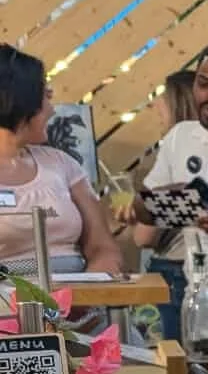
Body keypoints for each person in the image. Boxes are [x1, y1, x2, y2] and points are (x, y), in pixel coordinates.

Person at [125, 64, 208, 336]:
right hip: (196, 273)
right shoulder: (183, 137)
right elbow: (196, 198)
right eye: (203, 85)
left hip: (193, 273)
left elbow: (145, 232)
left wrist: (145, 207)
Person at [0, 44, 122, 275]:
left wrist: (88, 292)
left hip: (75, 301)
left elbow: (103, 248)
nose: (52, 111)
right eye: (45, 98)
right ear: (22, 102)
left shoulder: (62, 164)